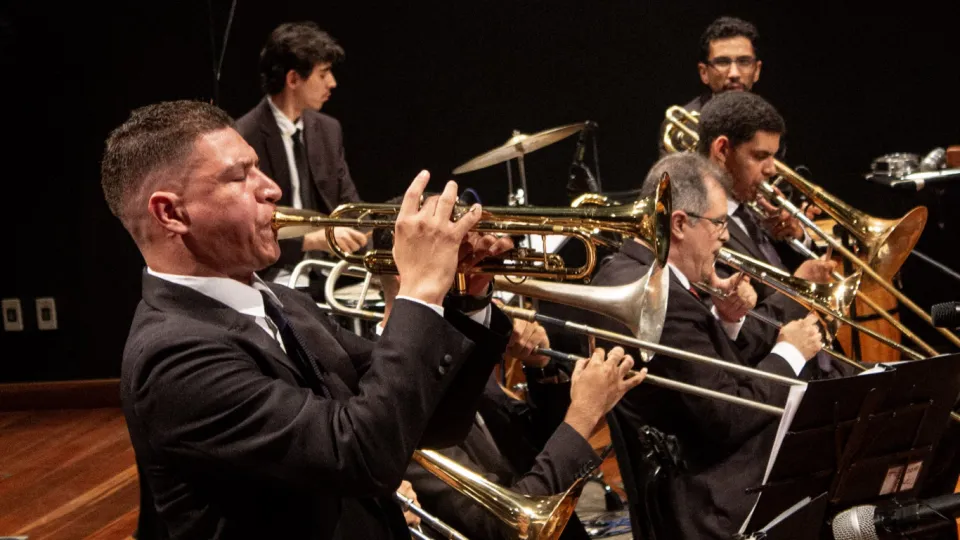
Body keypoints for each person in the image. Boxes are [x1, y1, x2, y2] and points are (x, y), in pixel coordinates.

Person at [101, 99, 520, 539]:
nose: (272, 189)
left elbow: (422, 417)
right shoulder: (175, 360)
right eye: (239, 176)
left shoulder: (283, 303)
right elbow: (360, 455)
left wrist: (465, 299)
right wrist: (417, 291)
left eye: (258, 168)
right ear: (170, 213)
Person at [365, 208, 646, 539]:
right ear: (407, 270)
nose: (468, 261)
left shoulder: (454, 339)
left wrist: (543, 371)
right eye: (452, 251)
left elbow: (532, 444)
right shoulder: (382, 390)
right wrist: (583, 417)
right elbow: (496, 525)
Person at [588, 153, 824, 540]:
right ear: (679, 224)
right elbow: (728, 418)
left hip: (700, 481)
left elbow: (700, 381)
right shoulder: (656, 293)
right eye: (718, 224)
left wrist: (725, 321)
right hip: (710, 502)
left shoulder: (626, 272)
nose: (726, 236)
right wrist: (790, 353)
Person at [695, 91, 844, 370]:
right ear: (722, 150)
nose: (772, 169)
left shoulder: (750, 204)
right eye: (760, 156)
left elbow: (791, 268)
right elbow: (736, 340)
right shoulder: (700, 228)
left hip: (823, 362)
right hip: (777, 380)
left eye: (773, 156)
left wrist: (795, 236)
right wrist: (797, 290)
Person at [235, 22, 366, 286]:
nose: (332, 83)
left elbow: (349, 204)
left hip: (329, 272)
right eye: (324, 73)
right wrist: (312, 240)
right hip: (273, 275)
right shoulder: (243, 136)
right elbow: (247, 227)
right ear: (293, 79)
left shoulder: (328, 130)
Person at [659, 16, 763, 155]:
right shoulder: (681, 127)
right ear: (704, 73)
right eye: (722, 62)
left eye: (744, 61)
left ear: (756, 70)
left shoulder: (769, 124)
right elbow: (664, 177)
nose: (734, 73)